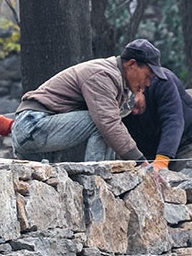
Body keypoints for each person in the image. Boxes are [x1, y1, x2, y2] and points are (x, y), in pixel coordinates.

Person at [11, 38, 166, 165]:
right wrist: (142, 165)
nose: (148, 83)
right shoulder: (103, 75)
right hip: (32, 125)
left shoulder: (114, 78)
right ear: (132, 64)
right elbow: (109, 124)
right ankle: (97, 179)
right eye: (148, 76)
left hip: (34, 129)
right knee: (104, 123)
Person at [122, 67, 192, 171]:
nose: (134, 111)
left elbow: (173, 121)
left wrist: (162, 160)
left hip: (184, 139)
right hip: (148, 145)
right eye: (128, 109)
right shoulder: (118, 93)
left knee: (183, 182)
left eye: (136, 105)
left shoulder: (162, 81)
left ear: (140, 89)